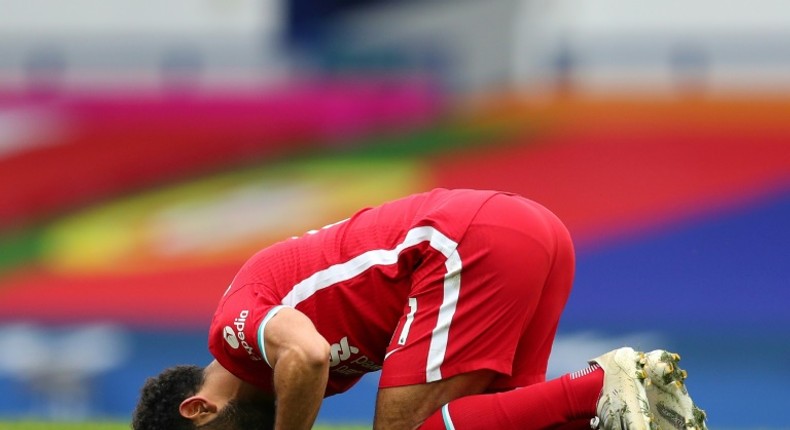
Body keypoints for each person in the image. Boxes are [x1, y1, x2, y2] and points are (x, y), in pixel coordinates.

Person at [132, 188, 707, 430]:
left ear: (198, 409)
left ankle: (606, 384)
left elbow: (306, 355)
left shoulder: (231, 333)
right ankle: (630, 405)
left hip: (463, 244)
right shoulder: (266, 371)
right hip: (528, 234)